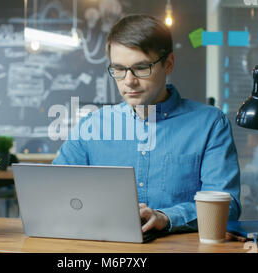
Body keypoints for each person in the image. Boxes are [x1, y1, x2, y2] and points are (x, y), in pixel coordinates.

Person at [53, 14, 241, 234]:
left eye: (141, 68)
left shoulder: (210, 124)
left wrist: (166, 217)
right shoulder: (92, 126)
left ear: (168, 64)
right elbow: (54, 190)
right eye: (119, 69)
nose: (129, 81)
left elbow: (228, 206)